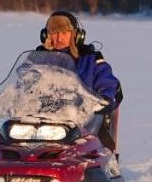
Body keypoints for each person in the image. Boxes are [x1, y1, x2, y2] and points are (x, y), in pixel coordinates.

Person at [39, 10, 124, 152]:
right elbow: (20, 83)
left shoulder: (91, 59)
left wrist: (105, 98)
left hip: (83, 121)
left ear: (76, 35)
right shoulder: (37, 59)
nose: (58, 38)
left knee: (98, 147)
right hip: (42, 120)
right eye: (54, 33)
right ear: (46, 35)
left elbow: (108, 82)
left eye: (64, 33)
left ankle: (104, 167)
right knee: (3, 138)